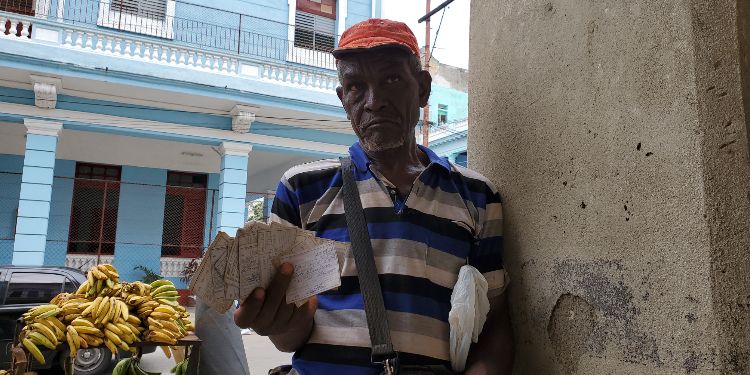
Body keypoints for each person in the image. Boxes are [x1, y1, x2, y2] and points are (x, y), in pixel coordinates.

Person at [234, 18, 514, 375]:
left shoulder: (476, 196)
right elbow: (292, 337)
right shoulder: (302, 190)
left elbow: (496, 322)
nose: (374, 101)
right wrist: (275, 320)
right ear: (343, 99)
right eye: (355, 86)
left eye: (392, 80)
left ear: (423, 89)